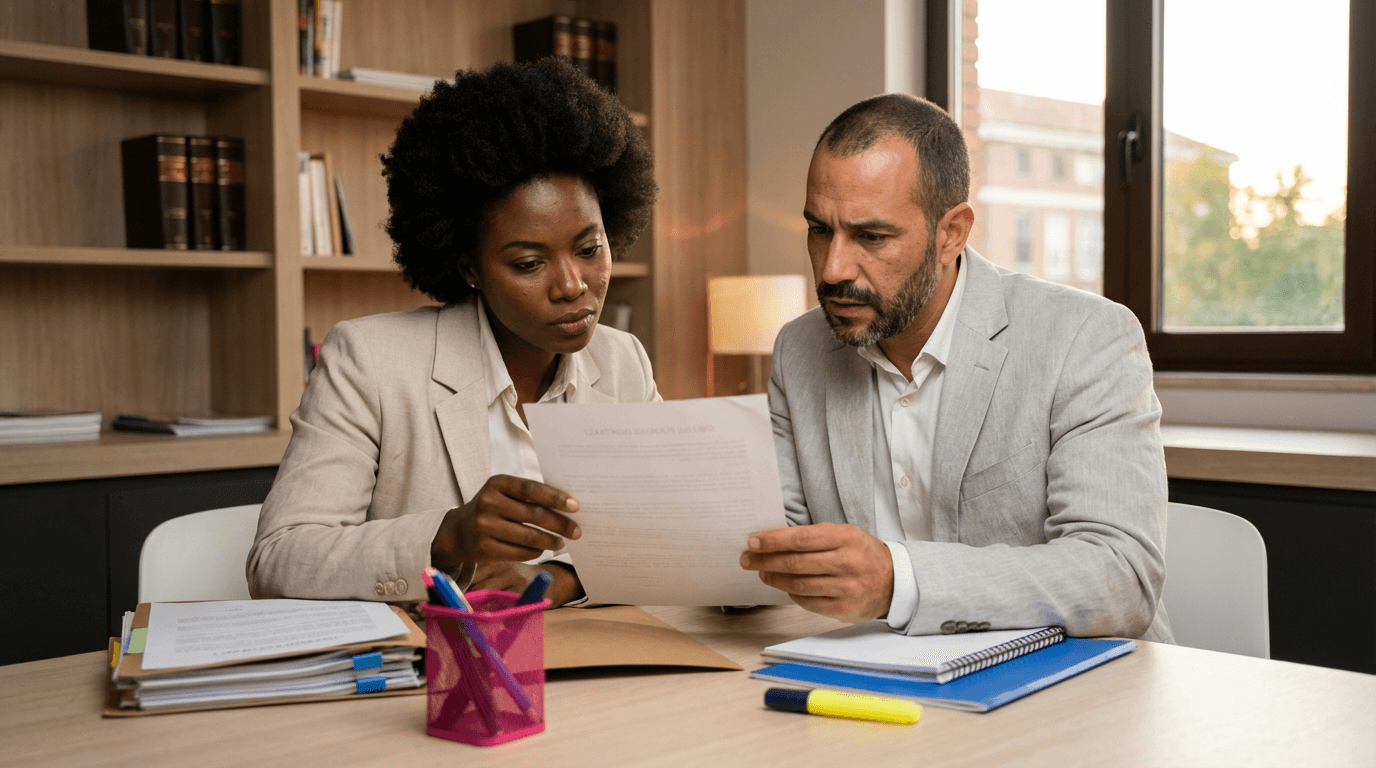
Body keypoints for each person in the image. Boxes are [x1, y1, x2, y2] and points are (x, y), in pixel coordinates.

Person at [739, 93, 1173, 642]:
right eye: (820, 230)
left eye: (871, 236)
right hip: (886, 684)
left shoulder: (1084, 338)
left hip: (1076, 688)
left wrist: (899, 580)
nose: (832, 268)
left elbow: (1119, 577)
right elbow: (776, 557)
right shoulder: (799, 350)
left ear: (952, 233)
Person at [248, 59, 659, 609]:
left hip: (591, 661)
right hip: (437, 674)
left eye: (590, 250)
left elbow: (659, 537)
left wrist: (559, 583)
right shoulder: (370, 361)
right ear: (470, 267)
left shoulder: (623, 359)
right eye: (529, 263)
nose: (572, 285)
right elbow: (278, 559)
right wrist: (446, 538)